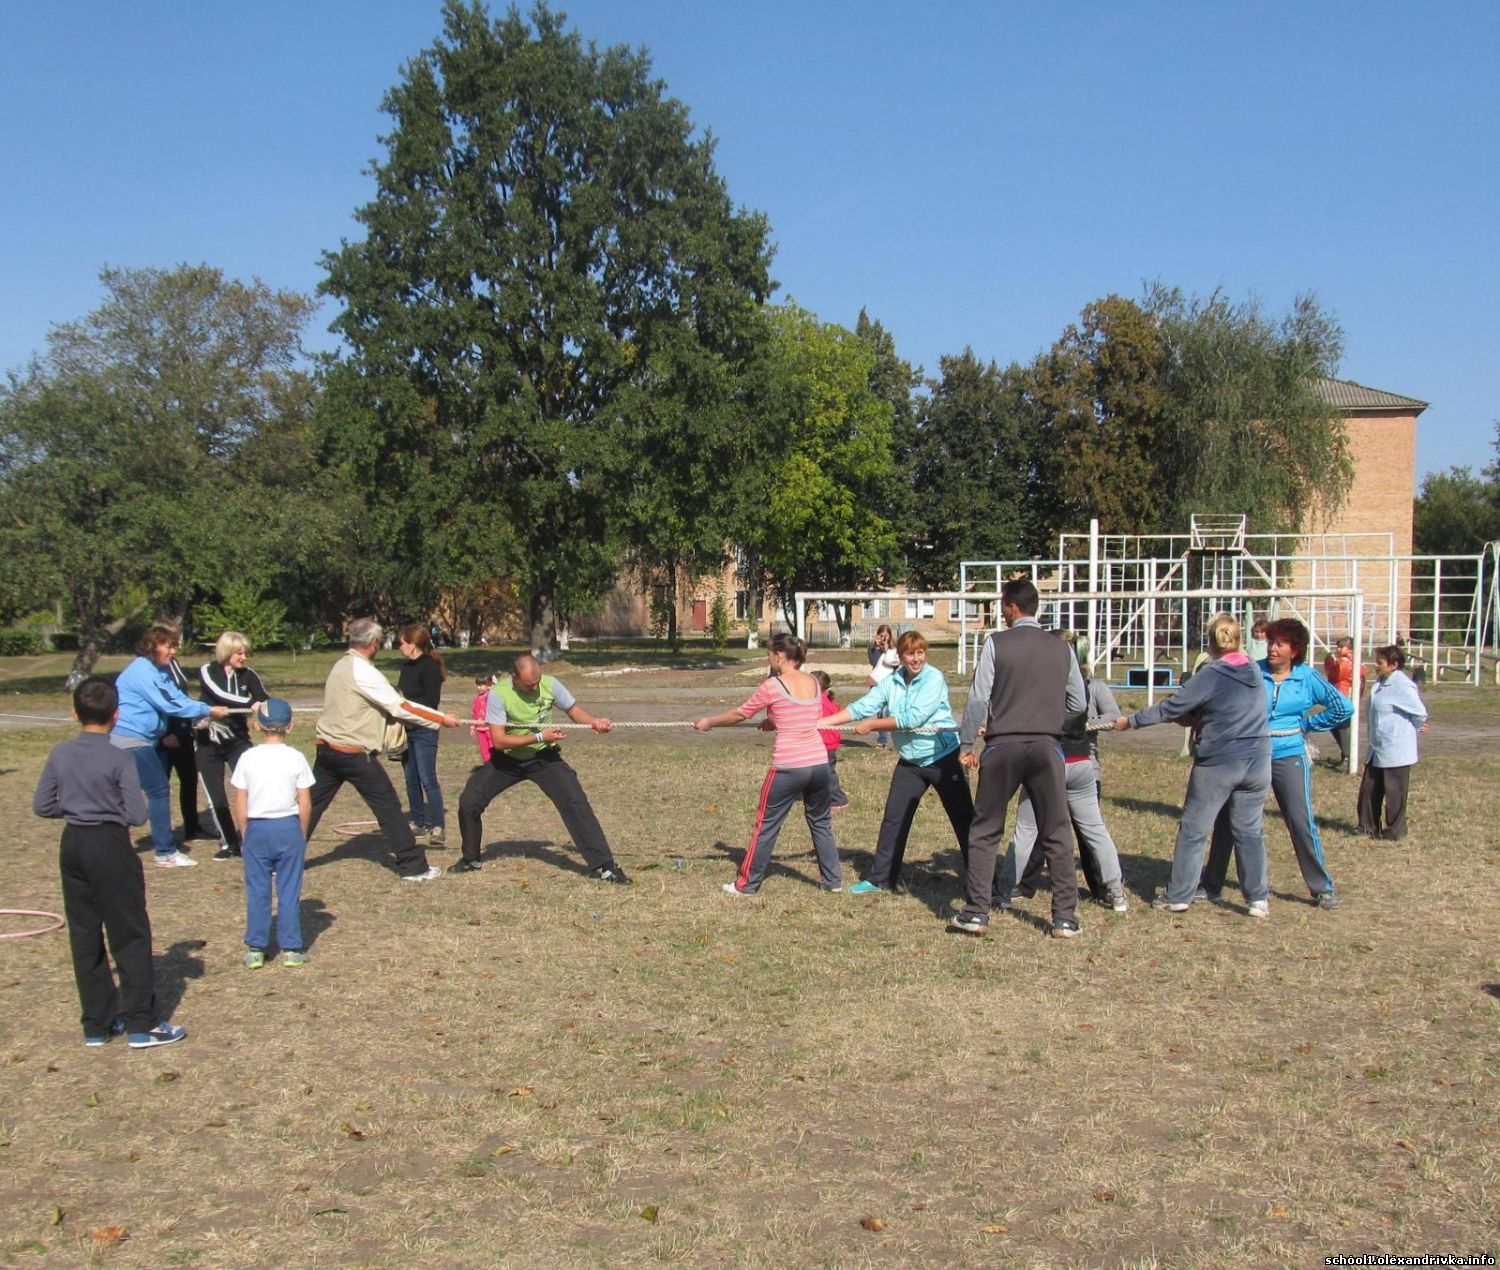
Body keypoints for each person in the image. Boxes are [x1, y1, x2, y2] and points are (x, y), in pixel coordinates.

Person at [33, 676, 187, 1048]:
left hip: (73, 843)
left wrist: (74, 809)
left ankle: (97, 1024)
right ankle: (141, 1023)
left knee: (85, 931)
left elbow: (43, 804)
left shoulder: (60, 753)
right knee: (129, 931)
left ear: (74, 713)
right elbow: (136, 814)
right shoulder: (119, 756)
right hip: (109, 843)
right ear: (116, 716)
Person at [1112, 613, 1272, 918]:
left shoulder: (1212, 673)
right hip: (1258, 759)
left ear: (1211, 643)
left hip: (1221, 761)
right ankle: (1257, 898)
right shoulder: (1253, 669)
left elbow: (1174, 706)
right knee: (1249, 830)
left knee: (1194, 828)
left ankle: (1179, 895)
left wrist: (1131, 721)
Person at [952, 578, 1087, 939]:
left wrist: (967, 743)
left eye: (1002, 605)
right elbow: (1079, 703)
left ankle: (977, 912)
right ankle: (1064, 918)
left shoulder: (996, 643)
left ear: (1012, 607)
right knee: (1057, 831)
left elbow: (980, 698)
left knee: (985, 830)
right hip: (1047, 748)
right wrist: (1052, 722)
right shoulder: (1062, 649)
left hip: (1003, 747)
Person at [304, 619, 462, 882]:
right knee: (388, 807)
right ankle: (414, 866)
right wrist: (440, 719)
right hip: (352, 753)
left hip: (327, 750)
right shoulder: (362, 670)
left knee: (309, 807)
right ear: (375, 643)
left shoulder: (341, 665)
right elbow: (399, 706)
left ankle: (282, 858)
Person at [453, 653, 631, 883]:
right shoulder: (498, 695)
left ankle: (606, 867)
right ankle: (470, 860)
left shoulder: (551, 684)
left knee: (575, 802)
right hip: (507, 760)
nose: (535, 687)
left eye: (537, 681)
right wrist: (539, 736)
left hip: (544, 758)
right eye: (529, 684)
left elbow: (574, 710)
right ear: (513, 677)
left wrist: (594, 722)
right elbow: (498, 740)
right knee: (469, 801)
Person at [820, 630, 972, 895]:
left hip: (943, 759)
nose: (916, 659)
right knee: (894, 818)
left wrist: (874, 725)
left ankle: (984, 881)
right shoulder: (892, 682)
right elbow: (863, 706)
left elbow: (915, 718)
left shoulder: (934, 678)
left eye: (920, 652)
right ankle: (880, 878)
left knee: (964, 820)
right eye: (910, 654)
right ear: (900, 656)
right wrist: (824, 722)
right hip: (910, 762)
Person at [695, 632, 842, 896]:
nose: (769, 659)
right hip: (819, 764)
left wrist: (710, 722)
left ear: (778, 655)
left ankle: (747, 885)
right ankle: (833, 882)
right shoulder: (813, 681)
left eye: (769, 654)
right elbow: (807, 715)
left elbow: (741, 714)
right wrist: (775, 720)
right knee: (821, 822)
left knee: (766, 825)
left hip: (789, 767)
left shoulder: (773, 685)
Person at [998, 630, 1129, 914]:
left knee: (1027, 830)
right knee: (1096, 830)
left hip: (1050, 764)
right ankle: (1117, 892)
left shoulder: (1043, 684)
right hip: (1080, 762)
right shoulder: (1078, 682)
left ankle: (1004, 889)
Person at [110, 624, 230, 868]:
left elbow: (178, 698)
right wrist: (207, 709)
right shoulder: (142, 671)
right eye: (169, 645)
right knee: (157, 791)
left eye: (175, 645)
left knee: (137, 791)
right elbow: (169, 705)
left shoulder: (159, 670)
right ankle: (164, 852)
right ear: (152, 645)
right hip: (130, 739)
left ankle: (118, 844)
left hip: (147, 739)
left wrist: (201, 711)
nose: (174, 651)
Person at [231, 699, 315, 969]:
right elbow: (305, 801)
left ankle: (256, 948)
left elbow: (241, 801)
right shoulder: (296, 758)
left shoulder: (247, 757)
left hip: (257, 827)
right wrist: (301, 831)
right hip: (288, 826)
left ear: (257, 725)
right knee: (289, 889)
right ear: (290, 726)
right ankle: (291, 949)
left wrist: (245, 832)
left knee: (258, 889)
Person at [197, 631, 271, 861]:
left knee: (253, 789)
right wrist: (252, 704)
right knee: (216, 797)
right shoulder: (207, 671)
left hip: (238, 741)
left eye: (245, 653)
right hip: (207, 742)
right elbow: (220, 695)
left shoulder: (248, 675)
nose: (244, 657)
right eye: (239, 653)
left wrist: (267, 711)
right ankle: (230, 843)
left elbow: (264, 698)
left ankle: (255, 839)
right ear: (227, 652)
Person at [1357, 644, 1428, 840]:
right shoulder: (1379, 684)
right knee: (1370, 788)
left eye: (1379, 663)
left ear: (1394, 665)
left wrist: (1407, 730)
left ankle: (1395, 831)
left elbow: (1420, 713)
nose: (1376, 666)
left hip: (1396, 748)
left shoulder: (1402, 686)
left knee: (1395, 792)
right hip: (1377, 746)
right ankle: (1367, 826)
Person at [396, 623, 449, 846]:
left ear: (412, 644)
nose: (399, 648)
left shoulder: (429, 667)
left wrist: (405, 704)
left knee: (428, 778)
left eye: (401, 643)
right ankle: (417, 821)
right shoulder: (406, 666)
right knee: (411, 778)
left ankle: (437, 825)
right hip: (407, 729)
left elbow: (430, 702)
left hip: (425, 729)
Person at [160, 652, 212, 843]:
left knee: (189, 781)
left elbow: (180, 698)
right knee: (161, 787)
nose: (174, 648)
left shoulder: (172, 662)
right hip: (165, 737)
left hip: (183, 733)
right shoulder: (150, 668)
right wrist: (165, 734)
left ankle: (192, 827)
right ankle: (163, 834)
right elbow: (158, 703)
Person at [809, 670, 849, 810]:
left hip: (825, 743)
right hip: (830, 742)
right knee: (821, 771)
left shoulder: (817, 701)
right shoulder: (830, 699)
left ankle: (838, 799)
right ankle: (819, 794)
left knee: (827, 773)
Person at [1322, 636, 1358, 769]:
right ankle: (1345, 754)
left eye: (1341, 646)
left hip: (1343, 696)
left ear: (1349, 648)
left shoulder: (1347, 661)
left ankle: (1347, 756)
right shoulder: (1345, 660)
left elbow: (1336, 675)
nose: (1338, 649)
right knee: (1334, 724)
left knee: (1341, 725)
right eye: (1338, 646)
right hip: (1338, 694)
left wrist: (1331, 663)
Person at [866, 624, 896, 749]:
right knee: (880, 712)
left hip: (890, 683)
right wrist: (877, 647)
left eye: (886, 635)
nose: (884, 638)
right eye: (881, 635)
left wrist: (887, 650)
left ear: (890, 636)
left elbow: (895, 665)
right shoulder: (872, 649)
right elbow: (873, 662)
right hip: (877, 682)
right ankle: (882, 739)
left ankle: (890, 738)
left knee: (887, 711)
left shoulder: (894, 650)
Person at [472, 672, 497, 766]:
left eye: (481, 685)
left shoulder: (490, 696)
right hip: (480, 729)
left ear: (489, 686)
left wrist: (493, 686)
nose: (479, 687)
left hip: (490, 728)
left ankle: (496, 764)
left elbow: (496, 693)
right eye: (477, 685)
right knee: (484, 749)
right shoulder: (476, 699)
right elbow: (474, 713)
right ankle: (487, 765)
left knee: (493, 748)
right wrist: (472, 726)